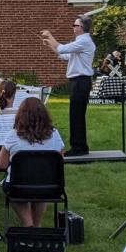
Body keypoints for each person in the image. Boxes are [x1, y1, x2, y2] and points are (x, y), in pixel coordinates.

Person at [0, 97, 65, 227]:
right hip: (50, 186)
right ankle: (36, 226)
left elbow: (1, 164)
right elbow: (60, 161)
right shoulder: (55, 134)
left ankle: (28, 225)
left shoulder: (13, 135)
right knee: (40, 180)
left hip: (18, 187)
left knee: (14, 184)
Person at [41, 16, 95, 157]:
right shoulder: (81, 42)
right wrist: (50, 45)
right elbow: (65, 55)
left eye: (74, 25)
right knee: (76, 115)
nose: (73, 27)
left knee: (76, 116)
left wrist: (50, 35)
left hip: (81, 81)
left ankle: (79, 148)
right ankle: (80, 146)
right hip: (78, 82)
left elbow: (63, 49)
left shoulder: (84, 41)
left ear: (80, 28)